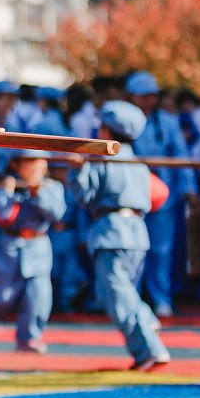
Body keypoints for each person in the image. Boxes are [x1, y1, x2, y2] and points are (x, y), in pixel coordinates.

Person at [66, 100, 171, 371]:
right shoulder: (138, 163)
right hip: (137, 233)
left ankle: (149, 350)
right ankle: (146, 319)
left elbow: (85, 197)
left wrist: (77, 171)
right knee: (117, 291)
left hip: (111, 232)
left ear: (107, 131)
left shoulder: (103, 159)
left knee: (118, 296)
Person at [0, 150, 66, 353]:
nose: (37, 167)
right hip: (10, 247)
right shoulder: (6, 184)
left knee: (38, 296)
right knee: (2, 298)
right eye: (31, 163)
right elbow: (2, 216)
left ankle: (29, 338)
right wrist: (7, 193)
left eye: (41, 162)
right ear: (17, 166)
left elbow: (57, 214)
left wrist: (38, 191)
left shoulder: (52, 187)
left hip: (38, 246)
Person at [126, 70, 197, 318]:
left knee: (161, 250)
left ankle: (160, 298)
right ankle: (130, 299)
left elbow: (181, 154)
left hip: (163, 196)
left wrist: (188, 188)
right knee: (131, 249)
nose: (148, 101)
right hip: (131, 195)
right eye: (142, 96)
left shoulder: (168, 122)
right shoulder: (123, 121)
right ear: (132, 97)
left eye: (151, 96)